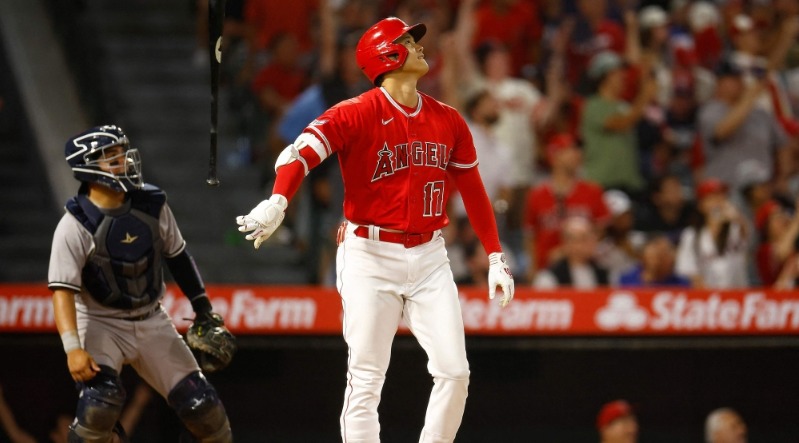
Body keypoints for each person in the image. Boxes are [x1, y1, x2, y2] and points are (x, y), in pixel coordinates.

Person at [236, 17, 515, 443]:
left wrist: (495, 254)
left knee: (456, 372)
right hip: (369, 253)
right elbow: (300, 152)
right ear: (387, 55)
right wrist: (278, 199)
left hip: (429, 256)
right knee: (366, 377)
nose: (419, 46)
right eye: (408, 40)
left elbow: (473, 190)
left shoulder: (449, 119)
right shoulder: (357, 112)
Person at [48, 125, 235, 442]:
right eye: (111, 156)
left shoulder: (151, 203)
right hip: (99, 321)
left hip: (152, 317)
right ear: (88, 166)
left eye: (121, 153)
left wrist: (203, 309)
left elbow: (178, 257)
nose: (123, 160)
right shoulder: (74, 224)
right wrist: (72, 349)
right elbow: (62, 291)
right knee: (100, 407)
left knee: (204, 409)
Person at [534, 216, 609, 289]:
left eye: (592, 237)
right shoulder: (549, 277)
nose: (591, 242)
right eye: (583, 238)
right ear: (567, 243)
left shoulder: (601, 273)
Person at [619, 234, 691, 287]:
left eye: (664, 254)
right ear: (643, 256)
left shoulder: (682, 284)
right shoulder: (626, 280)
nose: (659, 261)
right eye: (655, 255)